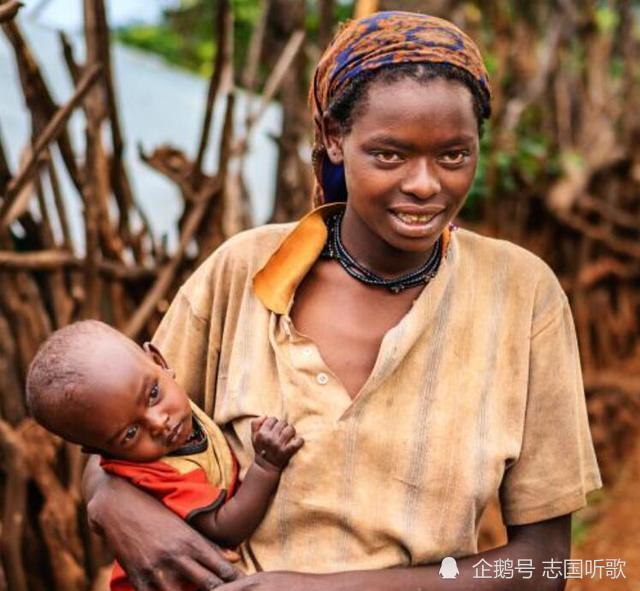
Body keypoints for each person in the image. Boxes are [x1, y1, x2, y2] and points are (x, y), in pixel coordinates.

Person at [82, 11, 602, 591]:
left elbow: (543, 564)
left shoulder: (522, 295)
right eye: (389, 154)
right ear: (334, 138)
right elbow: (115, 440)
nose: (426, 184)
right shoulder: (242, 273)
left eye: (454, 155)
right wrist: (112, 505)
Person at [25, 320, 303, 591]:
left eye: (153, 394)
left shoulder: (178, 402)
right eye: (131, 433)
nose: (159, 423)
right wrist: (266, 465)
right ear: (101, 451)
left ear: (160, 361)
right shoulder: (157, 475)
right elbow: (225, 529)